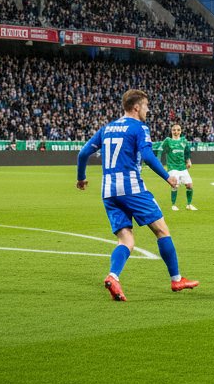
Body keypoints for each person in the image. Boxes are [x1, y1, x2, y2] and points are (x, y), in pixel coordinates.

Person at [77, 89, 199, 301]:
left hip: (109, 191)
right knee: (162, 230)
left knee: (126, 239)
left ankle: (113, 276)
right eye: (146, 106)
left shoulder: (107, 128)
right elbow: (148, 156)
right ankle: (176, 279)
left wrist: (81, 178)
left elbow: (83, 153)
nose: (148, 110)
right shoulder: (140, 127)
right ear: (136, 107)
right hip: (132, 188)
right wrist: (167, 176)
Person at [159, 123, 196, 211]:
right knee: (175, 185)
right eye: (174, 130)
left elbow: (187, 151)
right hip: (172, 167)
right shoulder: (168, 141)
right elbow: (160, 150)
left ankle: (189, 205)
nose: (176, 132)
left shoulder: (184, 140)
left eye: (178, 130)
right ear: (171, 131)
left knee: (189, 185)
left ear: (181, 131)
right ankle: (173, 205)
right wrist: (158, 161)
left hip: (183, 167)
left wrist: (188, 160)